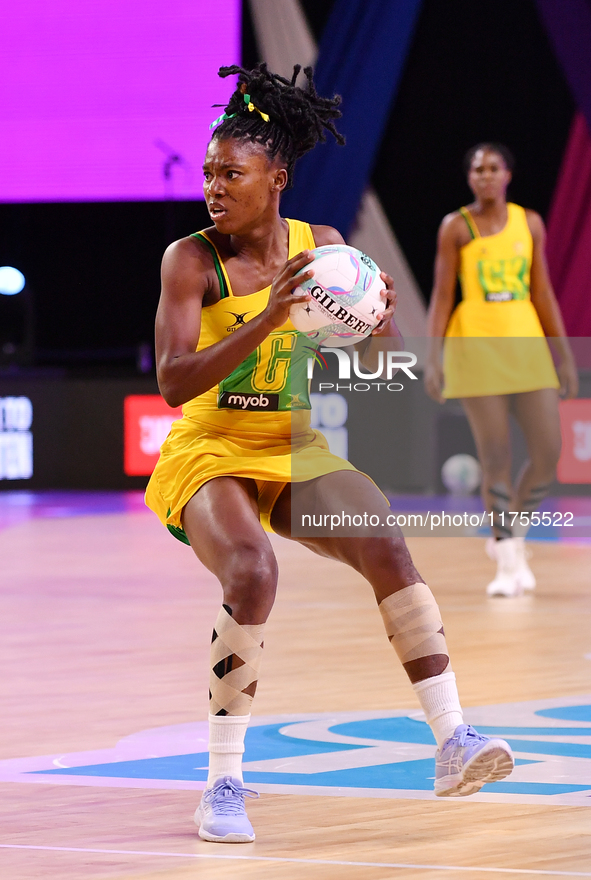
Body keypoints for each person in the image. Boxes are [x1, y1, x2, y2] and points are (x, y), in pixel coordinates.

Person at [146, 66, 514, 844]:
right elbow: (175, 381)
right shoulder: (191, 259)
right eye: (210, 172)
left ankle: (452, 741)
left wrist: (369, 323)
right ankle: (221, 782)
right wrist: (269, 314)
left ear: (275, 179)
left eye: (231, 173)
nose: (213, 186)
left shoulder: (327, 249)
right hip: (211, 443)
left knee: (383, 536)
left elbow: (352, 350)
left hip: (292, 438)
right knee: (252, 570)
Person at [425, 143, 578, 597]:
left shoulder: (529, 222)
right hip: (475, 345)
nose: (485, 176)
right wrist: (432, 357)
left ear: (508, 174)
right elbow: (441, 296)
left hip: (526, 344)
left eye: (493, 168)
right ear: (469, 177)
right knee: (495, 457)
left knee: (549, 452)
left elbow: (543, 291)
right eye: (477, 169)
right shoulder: (457, 226)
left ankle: (511, 534)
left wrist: (563, 353)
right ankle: (508, 561)